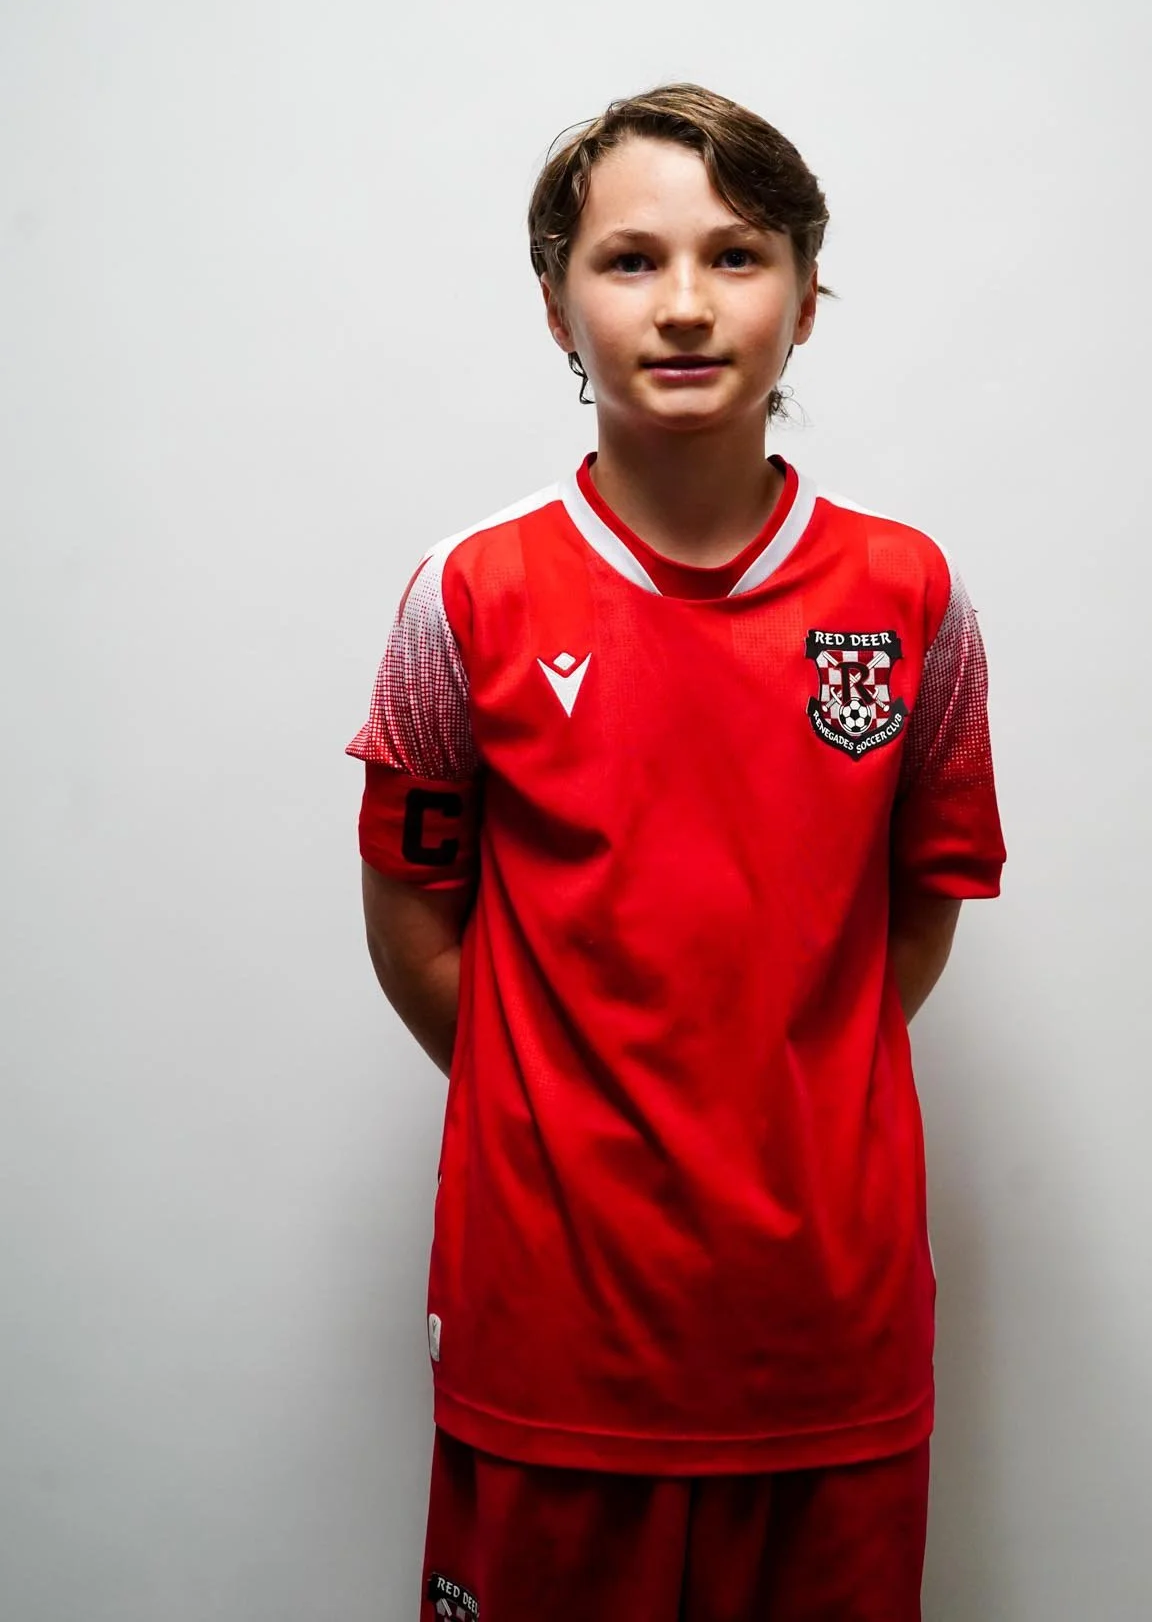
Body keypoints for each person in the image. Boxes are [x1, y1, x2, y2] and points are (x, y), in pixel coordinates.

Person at [346, 82, 1007, 1621]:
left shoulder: (910, 597)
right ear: (556, 307)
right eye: (632, 260)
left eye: (739, 254)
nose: (688, 304)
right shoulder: (468, 597)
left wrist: (774, 1093)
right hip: (553, 1326)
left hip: (826, 1330)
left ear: (807, 300)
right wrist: (567, 1107)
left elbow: (914, 919)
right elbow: (415, 928)